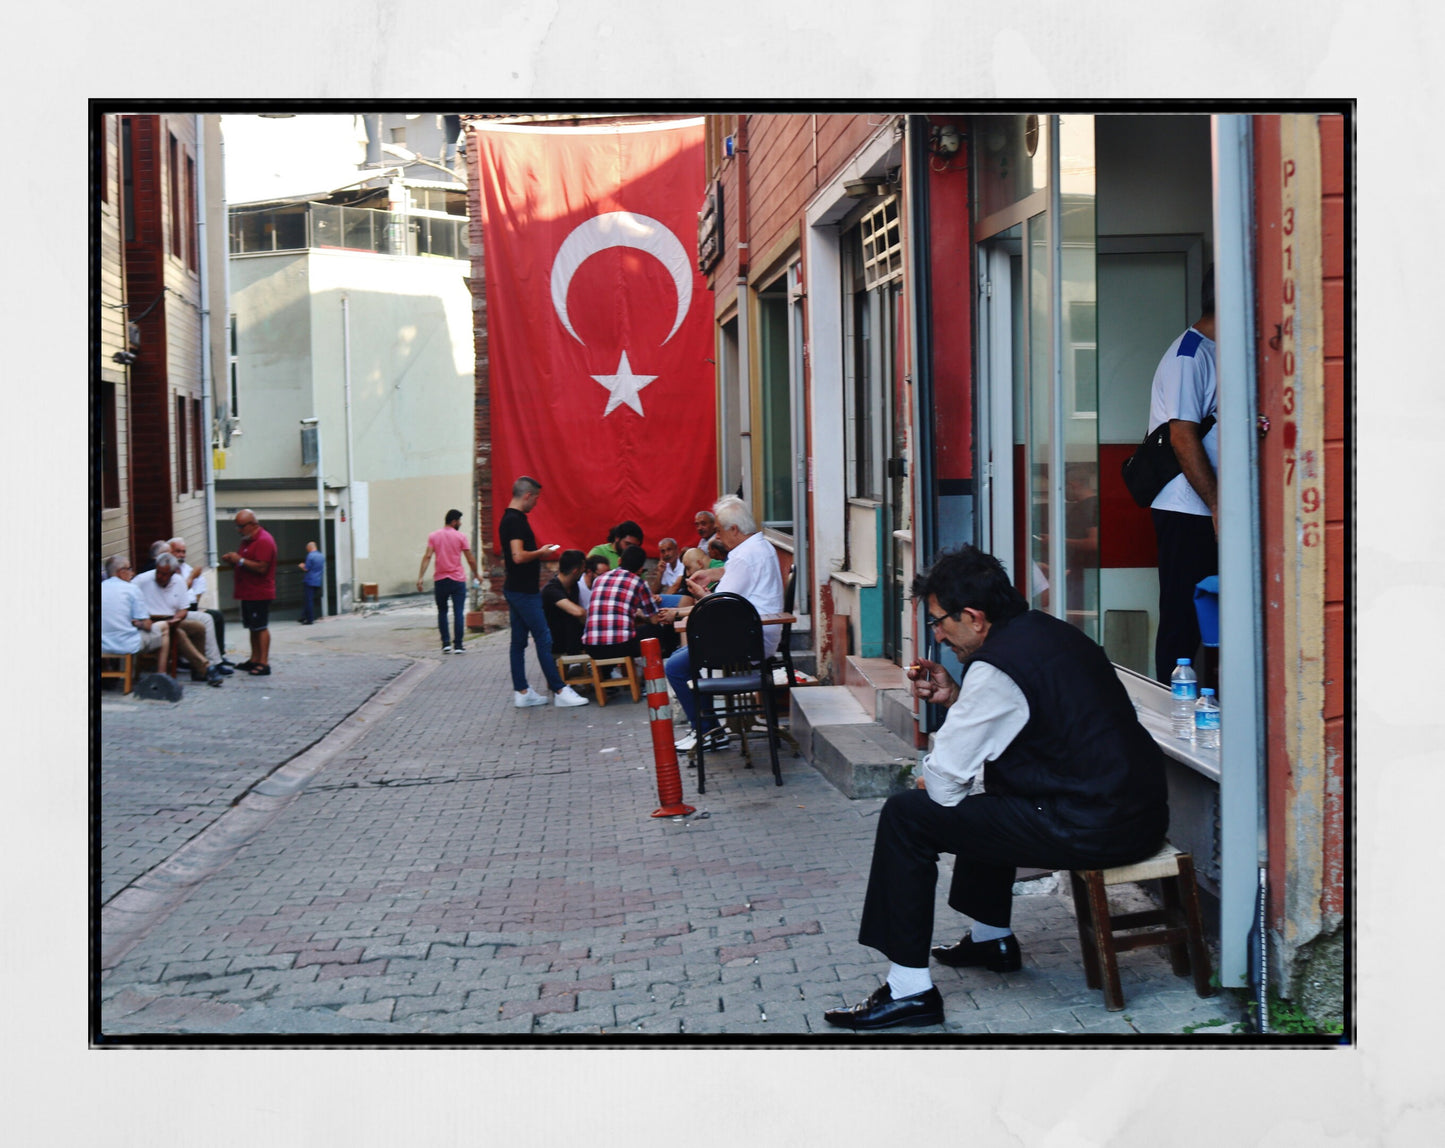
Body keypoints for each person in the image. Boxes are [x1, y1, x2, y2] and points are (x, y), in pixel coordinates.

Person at [821, 546, 1168, 1031]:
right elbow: (1035, 724)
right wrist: (959, 699)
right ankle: (992, 939)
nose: (937, 636)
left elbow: (942, 788)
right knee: (991, 797)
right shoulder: (1053, 633)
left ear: (974, 617)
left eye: (940, 622)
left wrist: (934, 770)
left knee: (907, 816)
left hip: (1092, 826)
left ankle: (908, 991)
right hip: (1139, 812)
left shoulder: (995, 668)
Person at [665, 496, 784, 753]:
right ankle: (707, 728)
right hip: (756, 634)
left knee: (675, 666)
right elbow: (737, 577)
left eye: (718, 530)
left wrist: (699, 594)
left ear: (734, 529)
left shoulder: (743, 556)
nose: (716, 537)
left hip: (748, 640)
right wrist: (713, 573)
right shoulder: (759, 545)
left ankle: (708, 730)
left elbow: (717, 607)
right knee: (680, 657)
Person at [1147, 265, 1218, 683]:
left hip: (1207, 508)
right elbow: (1182, 436)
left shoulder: (1221, 351)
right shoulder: (1190, 355)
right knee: (1182, 619)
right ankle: (1170, 724)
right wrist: (1215, 505)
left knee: (1211, 612)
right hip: (1186, 510)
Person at [498, 475, 590, 709]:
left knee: (518, 642)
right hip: (523, 591)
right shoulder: (516, 520)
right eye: (536, 498)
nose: (536, 503)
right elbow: (518, 556)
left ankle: (522, 692)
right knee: (543, 637)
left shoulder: (508, 519)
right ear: (527, 496)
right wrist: (541, 552)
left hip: (516, 588)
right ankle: (559, 689)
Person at [132, 553, 223, 686]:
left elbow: (183, 609)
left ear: (172, 573)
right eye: (158, 572)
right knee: (178, 634)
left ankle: (198, 671)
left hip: (172, 619)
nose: (159, 577)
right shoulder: (142, 580)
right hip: (151, 622)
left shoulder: (178, 581)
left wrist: (177, 618)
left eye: (164, 574)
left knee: (199, 628)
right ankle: (206, 667)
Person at [582, 545, 667, 662]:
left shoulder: (599, 579)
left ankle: (607, 674)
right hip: (621, 646)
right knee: (655, 629)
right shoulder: (639, 583)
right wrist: (641, 615)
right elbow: (654, 619)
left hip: (591, 647)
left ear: (619, 561)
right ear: (640, 569)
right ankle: (654, 672)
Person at [221, 508, 278, 676]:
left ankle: (264, 662)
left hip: (259, 591)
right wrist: (234, 561)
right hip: (247, 591)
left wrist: (240, 560)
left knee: (260, 626)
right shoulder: (247, 540)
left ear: (253, 524)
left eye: (241, 526)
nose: (239, 530)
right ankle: (254, 659)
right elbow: (244, 563)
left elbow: (262, 567)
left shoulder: (264, 540)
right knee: (252, 627)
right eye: (237, 527)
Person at [417, 510, 480, 654]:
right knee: (458, 612)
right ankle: (458, 645)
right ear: (454, 521)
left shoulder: (434, 536)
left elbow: (427, 556)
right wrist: (476, 573)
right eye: (459, 521)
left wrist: (420, 576)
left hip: (440, 580)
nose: (460, 523)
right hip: (457, 579)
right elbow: (470, 558)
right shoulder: (460, 537)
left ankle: (445, 643)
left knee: (442, 611)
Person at [162, 537, 229, 673]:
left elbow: (196, 594)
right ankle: (212, 662)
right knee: (208, 619)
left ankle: (219, 656)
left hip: (190, 606)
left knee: (217, 615)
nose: (181, 555)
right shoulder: (168, 571)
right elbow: (177, 594)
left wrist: (196, 605)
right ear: (169, 552)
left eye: (183, 552)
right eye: (178, 551)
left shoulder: (186, 569)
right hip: (175, 611)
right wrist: (192, 577)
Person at [101, 555, 169, 669]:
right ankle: (161, 676)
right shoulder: (132, 589)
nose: (132, 573)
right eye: (129, 569)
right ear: (121, 572)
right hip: (127, 645)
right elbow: (147, 625)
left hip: (102, 644)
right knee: (164, 627)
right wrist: (139, 623)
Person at [543, 549, 588, 657]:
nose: (584, 572)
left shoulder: (573, 586)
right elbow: (577, 612)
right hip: (558, 648)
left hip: (574, 644)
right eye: (583, 568)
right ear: (575, 571)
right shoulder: (551, 589)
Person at [297, 541, 325, 625]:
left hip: (309, 580)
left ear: (309, 548)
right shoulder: (321, 556)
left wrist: (301, 565)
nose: (307, 550)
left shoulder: (310, 555)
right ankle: (303, 616)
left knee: (308, 600)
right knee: (310, 599)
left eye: (307, 549)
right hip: (318, 580)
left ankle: (310, 619)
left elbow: (306, 568)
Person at [650, 536, 685, 601]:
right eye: (663, 551)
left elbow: (675, 587)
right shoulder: (666, 566)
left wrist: (662, 600)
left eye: (669, 549)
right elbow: (654, 591)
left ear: (676, 550)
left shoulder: (683, 563)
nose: (666, 554)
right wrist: (660, 573)